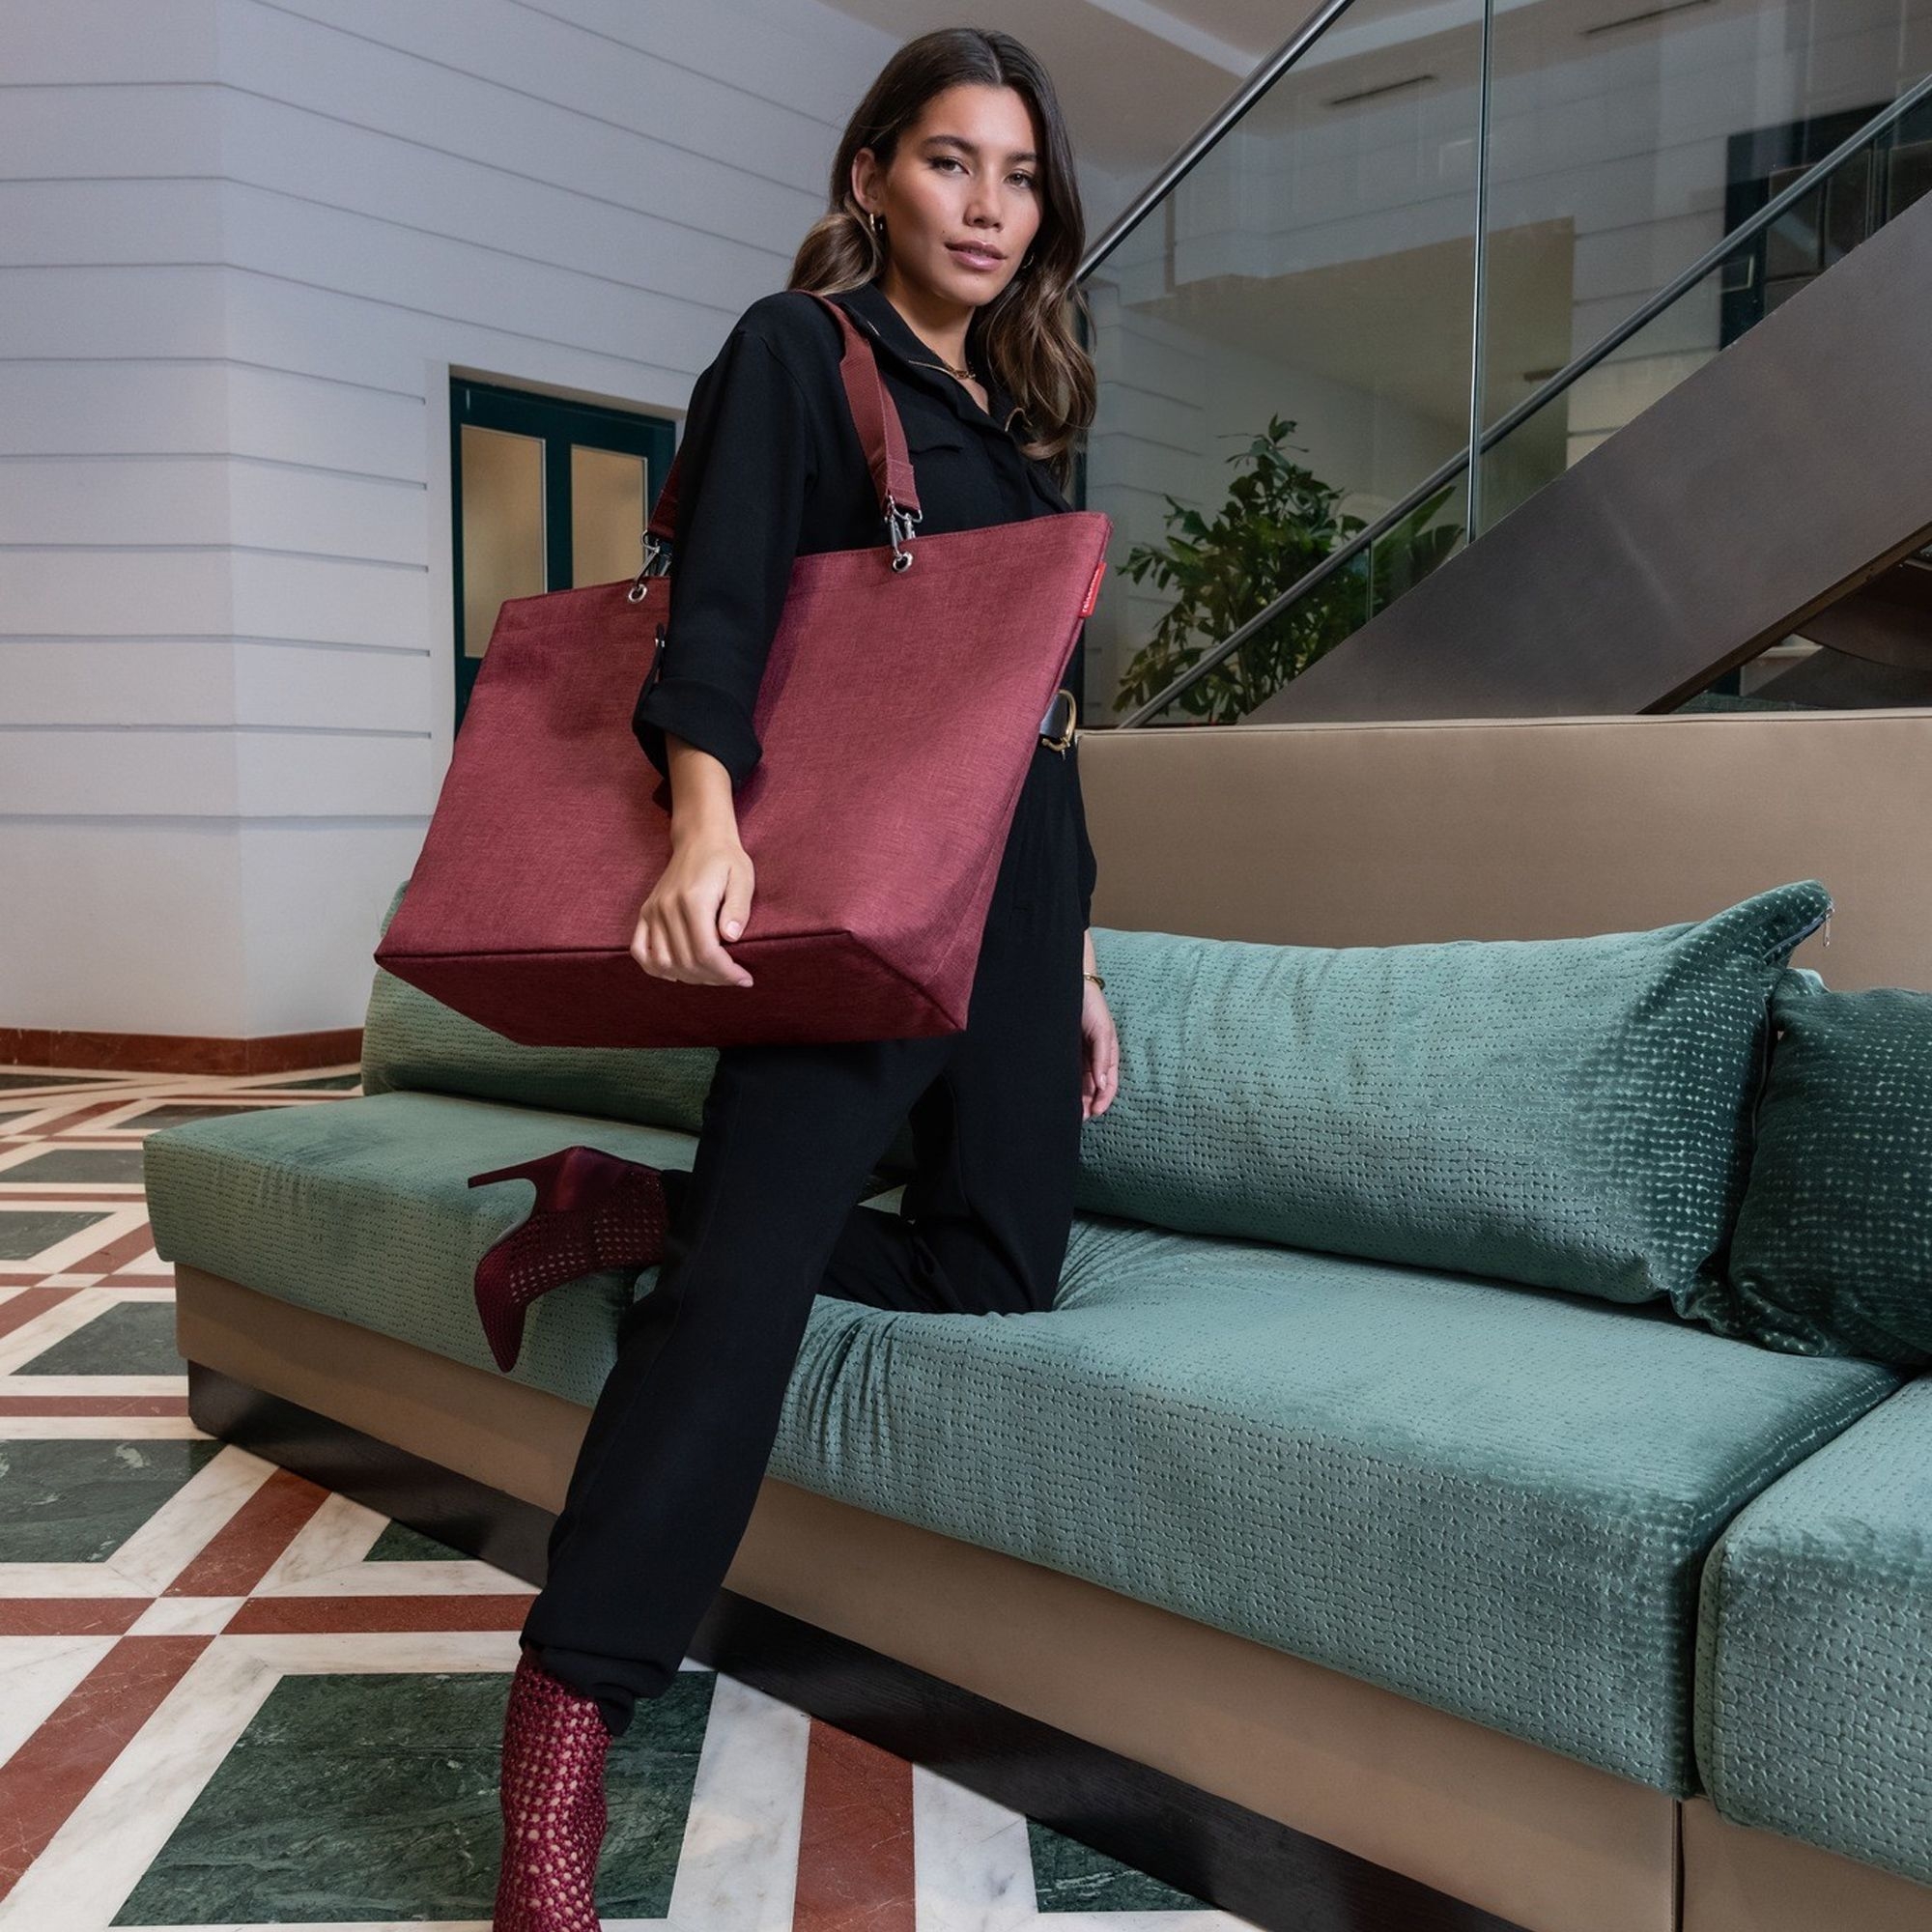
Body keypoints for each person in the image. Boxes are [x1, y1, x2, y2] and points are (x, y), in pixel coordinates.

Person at [486, 28, 1119, 1931]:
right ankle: (565, 1724)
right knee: (737, 1312)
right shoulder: (797, 353)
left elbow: (1045, 722)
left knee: (1000, 1266)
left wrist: (1075, 963)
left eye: (1016, 175)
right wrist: (703, 824)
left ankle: (630, 1207)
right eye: (949, 163)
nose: (988, 207)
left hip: (1010, 916)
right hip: (844, 902)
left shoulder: (1025, 422)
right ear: (870, 178)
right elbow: (726, 597)